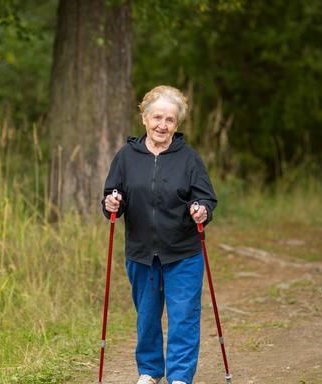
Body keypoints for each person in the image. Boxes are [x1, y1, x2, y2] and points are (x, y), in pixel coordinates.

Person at [102, 85, 217, 384]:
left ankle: (179, 377)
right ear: (144, 118)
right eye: (157, 118)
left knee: (183, 317)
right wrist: (111, 202)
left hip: (183, 253)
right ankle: (150, 371)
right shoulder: (126, 156)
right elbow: (112, 196)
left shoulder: (189, 159)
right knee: (147, 318)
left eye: (169, 120)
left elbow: (206, 198)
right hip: (141, 253)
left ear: (176, 125)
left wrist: (201, 209)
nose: (162, 125)